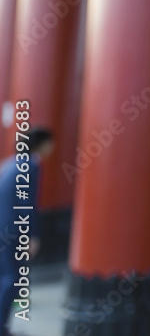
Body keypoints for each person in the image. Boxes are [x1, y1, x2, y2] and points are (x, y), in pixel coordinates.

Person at [0, 128, 54, 336]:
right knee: (13, 278)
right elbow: (27, 203)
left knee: (6, 277)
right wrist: (32, 235)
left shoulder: (10, 162)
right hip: (14, 229)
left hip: (3, 227)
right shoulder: (31, 165)